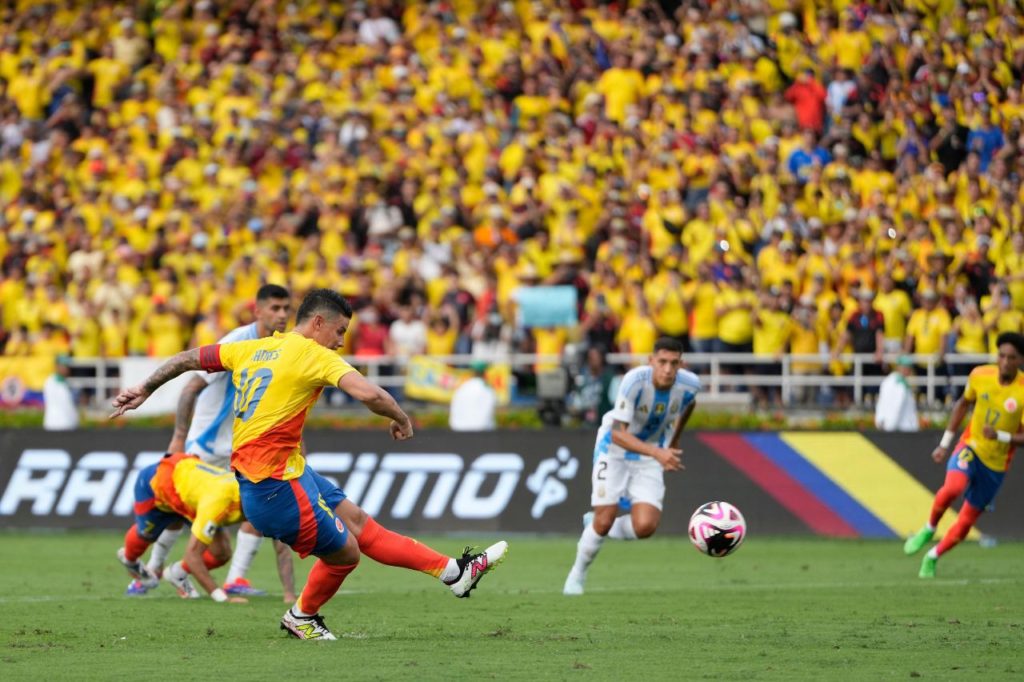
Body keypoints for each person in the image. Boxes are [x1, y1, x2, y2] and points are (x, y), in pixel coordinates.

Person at [111, 289, 508, 640]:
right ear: (318, 323)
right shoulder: (311, 354)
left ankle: (454, 573)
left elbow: (186, 359)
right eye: (338, 333)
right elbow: (368, 393)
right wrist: (401, 419)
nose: (339, 343)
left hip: (288, 471)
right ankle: (302, 616)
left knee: (357, 522)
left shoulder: (251, 347)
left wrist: (144, 389)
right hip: (272, 486)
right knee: (347, 554)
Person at [126, 284, 295, 599]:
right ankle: (152, 571)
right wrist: (178, 438)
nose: (282, 315)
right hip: (204, 446)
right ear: (257, 310)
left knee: (256, 509)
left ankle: (235, 579)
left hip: (241, 450)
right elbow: (192, 386)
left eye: (287, 309)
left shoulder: (286, 347)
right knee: (176, 512)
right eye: (275, 308)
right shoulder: (236, 342)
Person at [563, 337, 700, 595]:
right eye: (662, 362)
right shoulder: (635, 381)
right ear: (651, 361)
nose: (668, 369)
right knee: (604, 520)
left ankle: (597, 524)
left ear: (681, 364)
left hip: (651, 452)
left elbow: (689, 404)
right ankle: (576, 576)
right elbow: (617, 434)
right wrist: (659, 452)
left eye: (674, 363)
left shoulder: (690, 385)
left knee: (645, 527)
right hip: (614, 449)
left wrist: (675, 438)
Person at [903, 333, 1024, 578]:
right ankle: (929, 528)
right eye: (1001, 356)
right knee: (953, 487)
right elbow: (962, 404)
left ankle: (932, 556)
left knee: (966, 521)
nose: (1005, 362)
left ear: (1020, 360)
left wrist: (1001, 436)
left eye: (1011, 358)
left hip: (996, 465)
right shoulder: (980, 375)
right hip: (970, 446)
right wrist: (945, 443)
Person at [116, 453, 248, 603]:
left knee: (221, 553)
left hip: (191, 497)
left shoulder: (248, 493)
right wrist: (222, 598)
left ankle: (177, 573)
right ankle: (129, 560)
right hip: (158, 483)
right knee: (145, 535)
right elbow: (193, 557)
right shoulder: (218, 503)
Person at [449, 360, 497, 431]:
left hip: (458, 431)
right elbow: (487, 413)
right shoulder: (486, 389)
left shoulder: (462, 388)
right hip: (480, 433)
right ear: (485, 373)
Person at [874, 356, 919, 432]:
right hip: (899, 430)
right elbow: (896, 407)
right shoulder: (898, 385)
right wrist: (889, 428)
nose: (908, 370)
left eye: (909, 368)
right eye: (906, 367)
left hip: (898, 428)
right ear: (899, 367)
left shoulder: (892, 381)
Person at [43, 354, 79, 431]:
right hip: (56, 426)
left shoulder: (65, 383)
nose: (66, 369)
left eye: (67, 366)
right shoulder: (52, 381)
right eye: (63, 366)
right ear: (57, 366)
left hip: (67, 426)